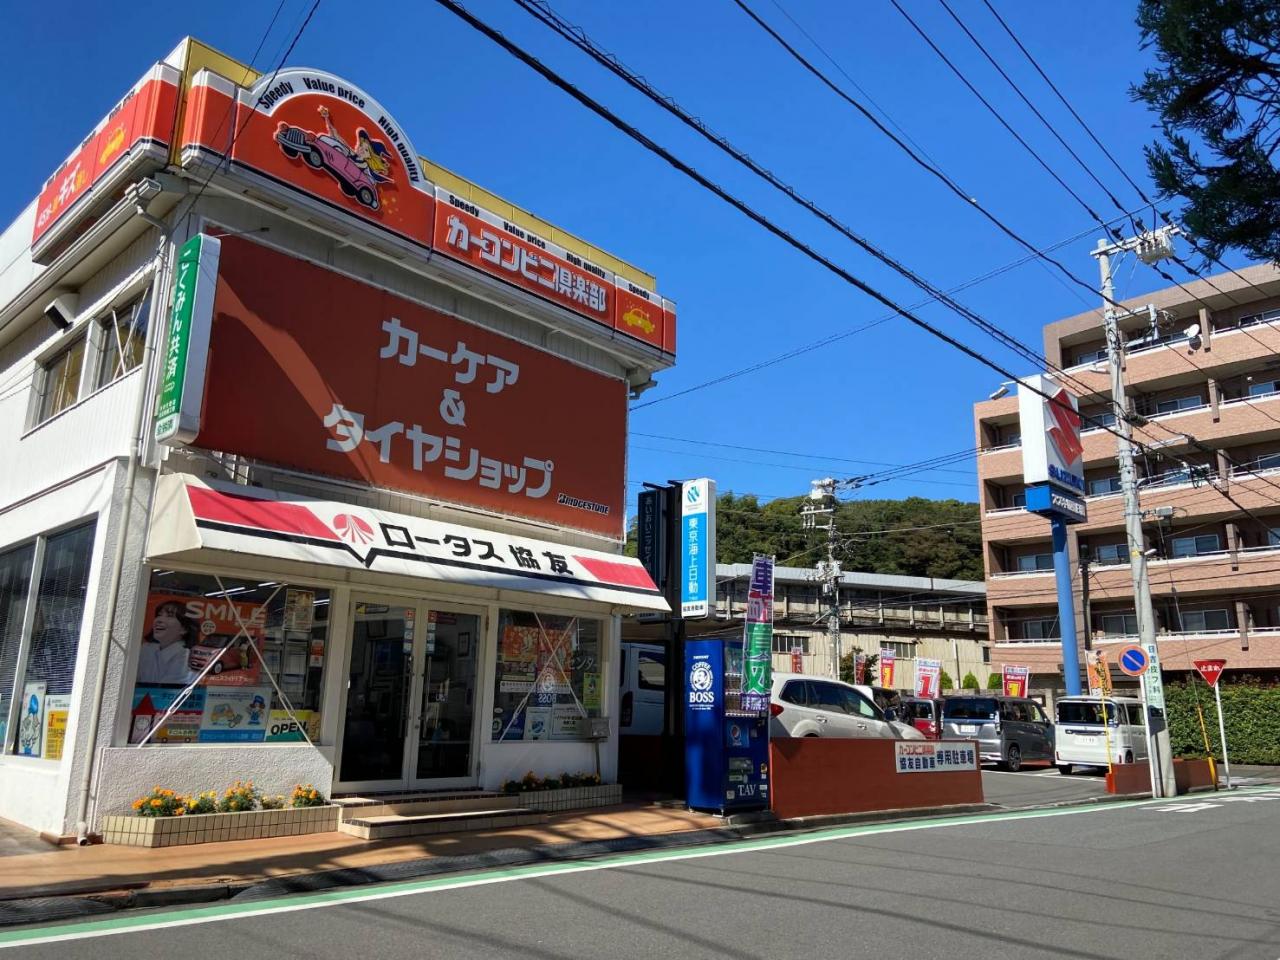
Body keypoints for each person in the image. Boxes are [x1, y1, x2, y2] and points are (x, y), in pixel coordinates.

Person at [137, 600, 199, 685]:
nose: (159, 620)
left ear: (184, 629)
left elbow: (168, 690)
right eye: (159, 615)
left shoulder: (185, 656)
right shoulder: (146, 649)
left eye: (169, 616)